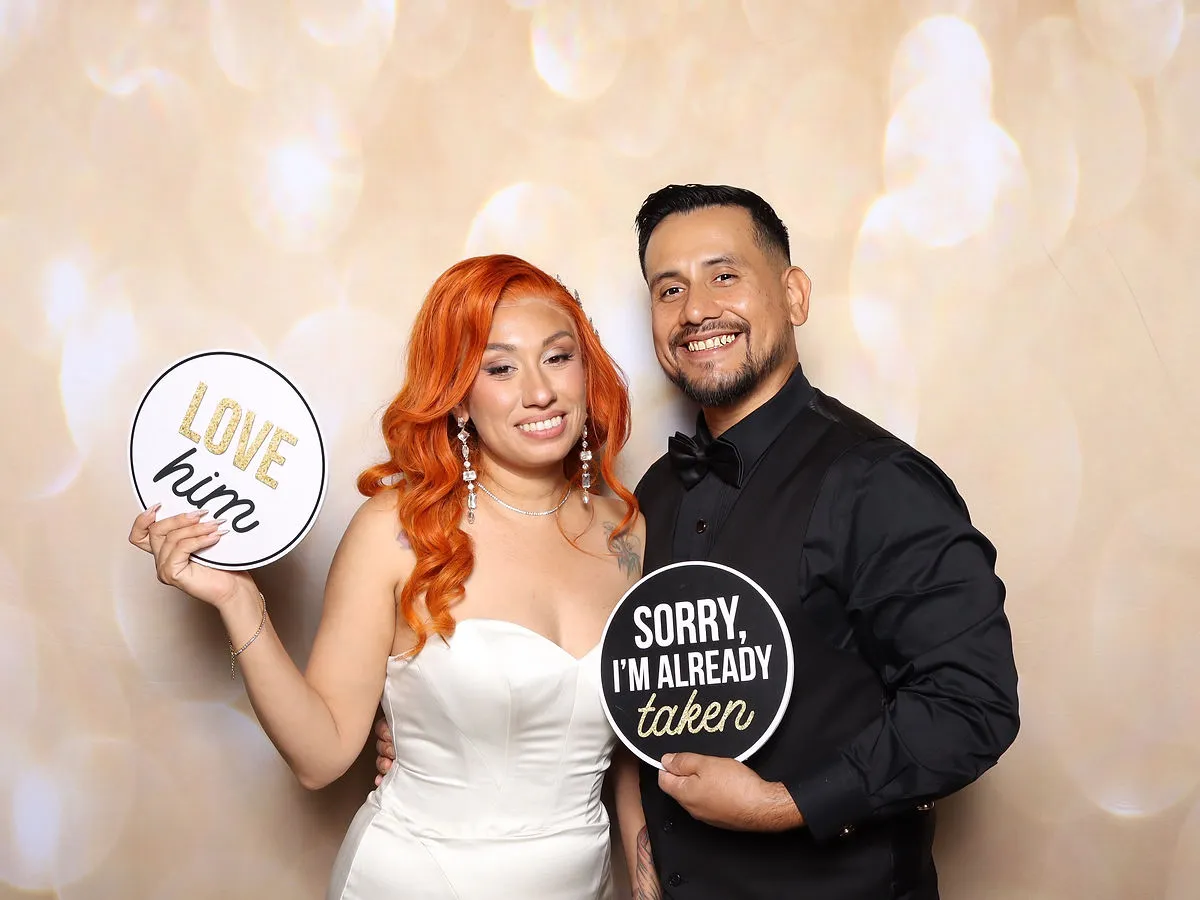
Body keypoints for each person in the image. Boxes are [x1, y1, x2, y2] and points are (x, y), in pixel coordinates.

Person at [367, 185, 1021, 899]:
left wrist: (784, 804)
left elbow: (972, 706)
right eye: (669, 288)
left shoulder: (878, 483)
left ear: (795, 295)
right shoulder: (648, 503)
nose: (697, 309)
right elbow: (621, 688)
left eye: (725, 275)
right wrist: (445, 727)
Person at [128, 254, 660, 900]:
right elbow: (321, 755)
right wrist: (238, 601)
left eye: (557, 357)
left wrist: (642, 871)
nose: (538, 391)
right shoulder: (397, 531)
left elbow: (632, 743)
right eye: (499, 367)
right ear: (458, 399)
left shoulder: (628, 533)